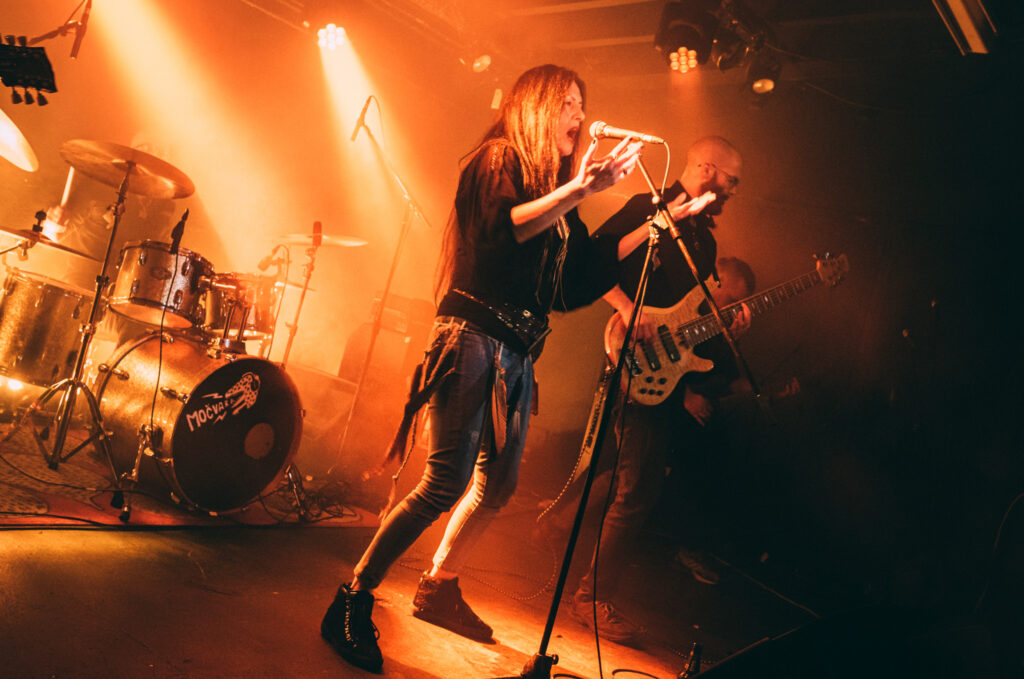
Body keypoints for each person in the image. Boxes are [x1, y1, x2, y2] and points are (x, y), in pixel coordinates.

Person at [319, 64, 647, 674]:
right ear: (538, 105)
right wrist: (580, 189)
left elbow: (573, 286)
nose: (580, 116)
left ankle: (439, 585)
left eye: (582, 104)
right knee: (444, 482)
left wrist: (651, 222)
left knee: (497, 486)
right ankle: (353, 595)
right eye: (569, 103)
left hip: (518, 352)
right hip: (471, 337)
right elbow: (504, 228)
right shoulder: (497, 159)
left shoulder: (556, 193)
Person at [567, 136, 752, 644]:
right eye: (731, 179)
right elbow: (588, 265)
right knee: (634, 489)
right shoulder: (647, 208)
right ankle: (589, 598)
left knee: (639, 485)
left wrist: (728, 328)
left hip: (670, 375)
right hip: (632, 362)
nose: (734, 189)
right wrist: (629, 309)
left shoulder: (704, 242)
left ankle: (566, 553)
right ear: (707, 169)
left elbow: (692, 317)